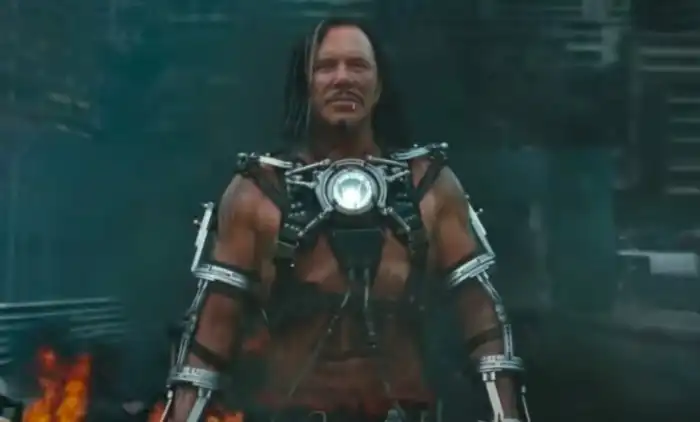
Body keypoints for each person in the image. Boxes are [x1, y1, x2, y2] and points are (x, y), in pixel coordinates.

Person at [160, 18, 530, 422]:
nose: (342, 78)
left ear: (379, 84)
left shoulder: (430, 186)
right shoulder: (256, 193)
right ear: (305, 84)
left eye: (357, 65)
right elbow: (212, 331)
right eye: (325, 67)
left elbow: (481, 314)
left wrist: (507, 414)